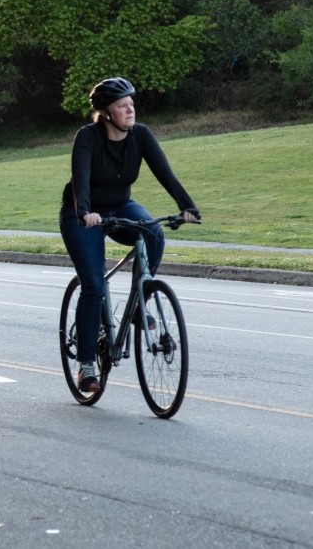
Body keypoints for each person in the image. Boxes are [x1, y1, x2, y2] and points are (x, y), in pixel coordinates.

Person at [60, 77, 200, 394]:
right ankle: (86, 365)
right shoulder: (87, 138)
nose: (130, 110)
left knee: (153, 234)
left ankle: (138, 306)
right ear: (107, 113)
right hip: (82, 215)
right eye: (122, 106)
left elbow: (165, 173)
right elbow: (80, 180)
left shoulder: (141, 135)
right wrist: (85, 213)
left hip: (121, 205)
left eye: (131, 104)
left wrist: (187, 206)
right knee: (94, 286)